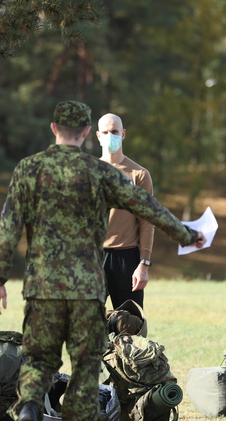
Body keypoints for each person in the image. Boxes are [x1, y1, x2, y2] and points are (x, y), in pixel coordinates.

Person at [0, 100, 205, 421]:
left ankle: (28, 410)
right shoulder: (99, 171)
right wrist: (187, 234)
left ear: (54, 129)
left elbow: (9, 226)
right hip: (86, 284)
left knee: (39, 359)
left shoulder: (29, 168)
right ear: (88, 132)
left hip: (43, 284)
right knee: (86, 366)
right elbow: (147, 207)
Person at [97, 113, 155, 309]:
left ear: (123, 134)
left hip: (127, 258)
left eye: (114, 132)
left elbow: (147, 222)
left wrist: (143, 264)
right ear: (98, 136)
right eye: (105, 132)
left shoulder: (139, 175)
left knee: (130, 323)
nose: (110, 136)